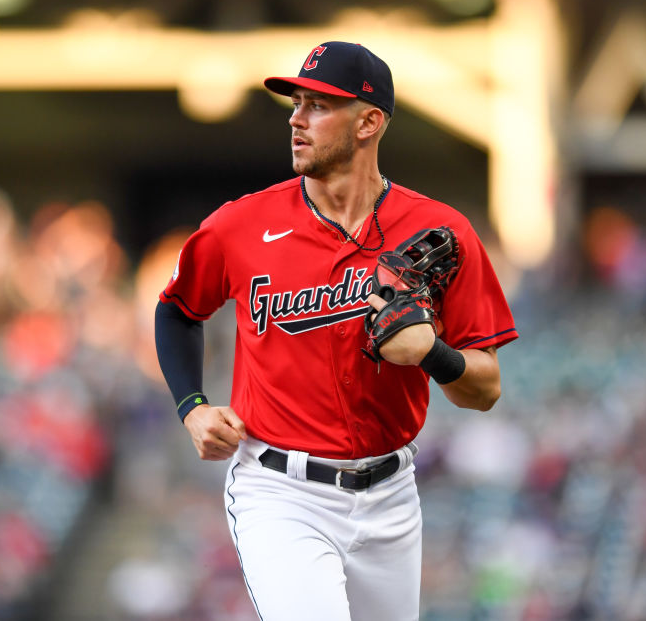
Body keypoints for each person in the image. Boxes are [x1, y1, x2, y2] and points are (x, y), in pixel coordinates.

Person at [154, 41, 518, 621]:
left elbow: (486, 388)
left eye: (318, 105)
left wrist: (433, 354)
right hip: (280, 490)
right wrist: (192, 405)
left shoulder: (441, 231)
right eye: (296, 104)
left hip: (392, 494)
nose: (296, 119)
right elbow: (176, 310)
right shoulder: (241, 225)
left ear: (369, 122)